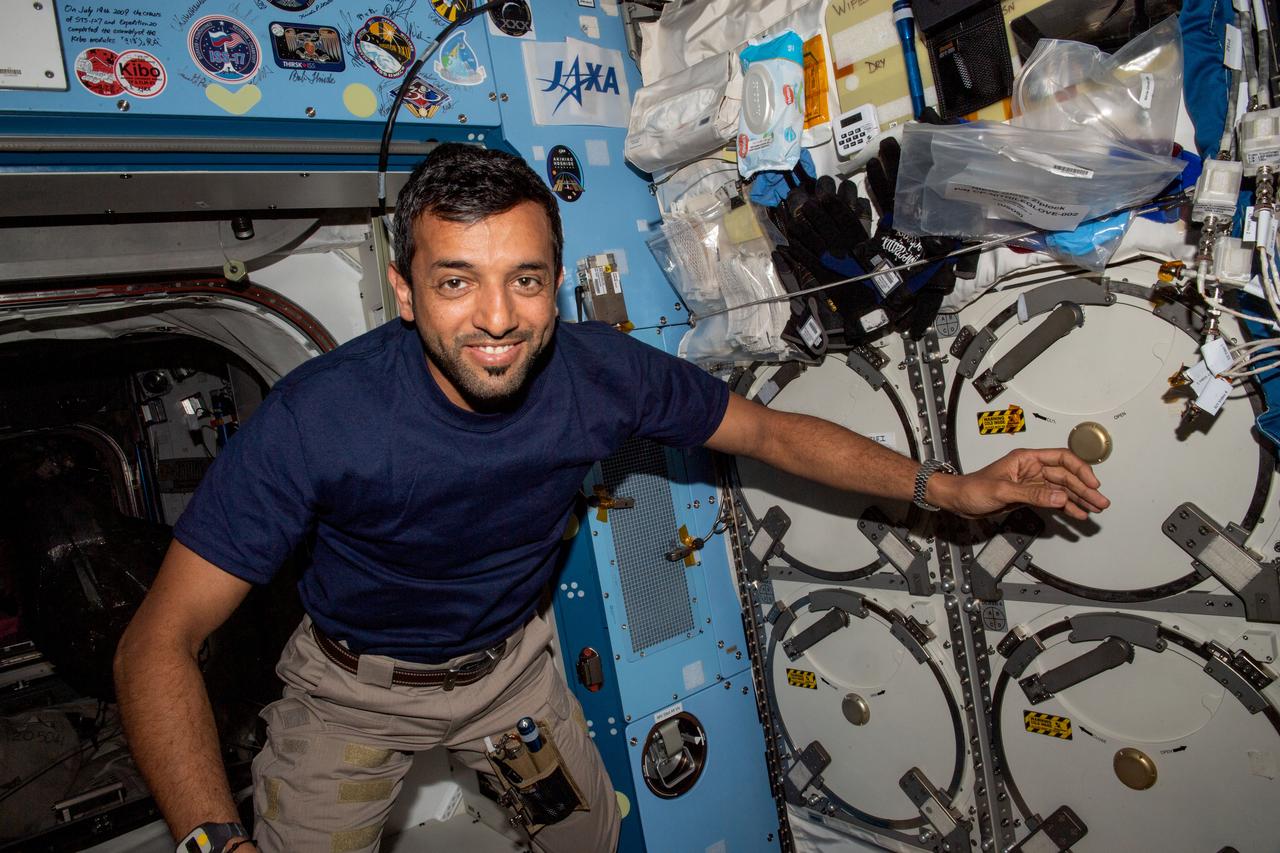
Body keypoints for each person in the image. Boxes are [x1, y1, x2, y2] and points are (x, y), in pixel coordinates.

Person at [113, 143, 1109, 853]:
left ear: (553, 284)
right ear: (404, 290)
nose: (497, 319)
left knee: (588, 836)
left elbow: (764, 430)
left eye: (525, 280)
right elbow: (157, 642)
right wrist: (210, 839)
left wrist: (954, 487)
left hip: (511, 672)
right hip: (350, 691)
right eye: (455, 281)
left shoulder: (601, 373)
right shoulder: (313, 421)